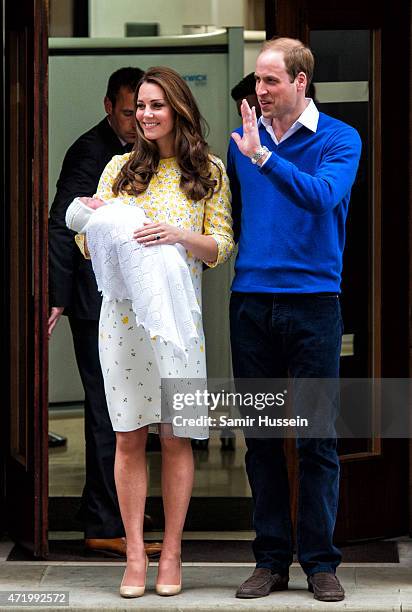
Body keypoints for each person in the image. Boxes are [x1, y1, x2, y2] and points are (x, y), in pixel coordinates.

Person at [67, 66, 233, 598]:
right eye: (140, 106)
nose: (145, 114)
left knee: (176, 437)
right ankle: (136, 554)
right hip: (122, 324)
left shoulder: (207, 170)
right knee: (128, 437)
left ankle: (174, 554)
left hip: (180, 328)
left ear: (178, 108)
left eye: (156, 105)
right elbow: (87, 247)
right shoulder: (118, 167)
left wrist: (175, 234)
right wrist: (96, 220)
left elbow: (220, 247)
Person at [228, 37, 361, 602]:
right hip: (251, 302)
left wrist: (264, 157)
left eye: (271, 81)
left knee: (315, 439)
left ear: (301, 82)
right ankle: (270, 560)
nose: (259, 91)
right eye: (256, 81)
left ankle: (321, 562)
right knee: (260, 439)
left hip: (313, 303)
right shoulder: (242, 144)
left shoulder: (339, 139)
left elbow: (320, 197)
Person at [48, 67, 161, 559]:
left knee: (128, 409)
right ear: (107, 107)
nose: (136, 119)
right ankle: (103, 522)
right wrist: (56, 296)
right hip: (95, 303)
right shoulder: (91, 152)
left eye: (142, 109)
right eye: (126, 110)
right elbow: (60, 223)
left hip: (130, 299)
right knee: (107, 409)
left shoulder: (145, 151)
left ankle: (115, 506)